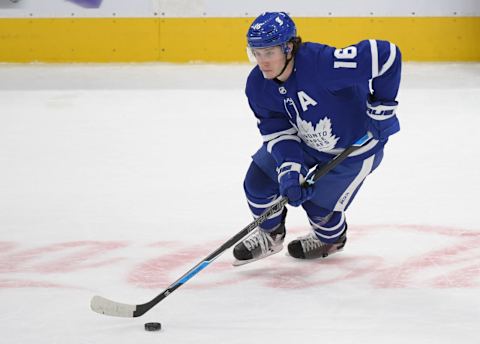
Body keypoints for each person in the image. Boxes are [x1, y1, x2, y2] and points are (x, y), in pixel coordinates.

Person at [233, 11, 401, 265]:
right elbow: (277, 131)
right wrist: (290, 168)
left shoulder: (322, 64)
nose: (262, 61)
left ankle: (331, 239)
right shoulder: (257, 85)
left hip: (353, 148)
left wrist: (382, 109)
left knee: (320, 210)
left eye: (269, 53)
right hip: (305, 140)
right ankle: (270, 234)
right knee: (257, 183)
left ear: (289, 48)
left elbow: (386, 55)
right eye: (256, 53)